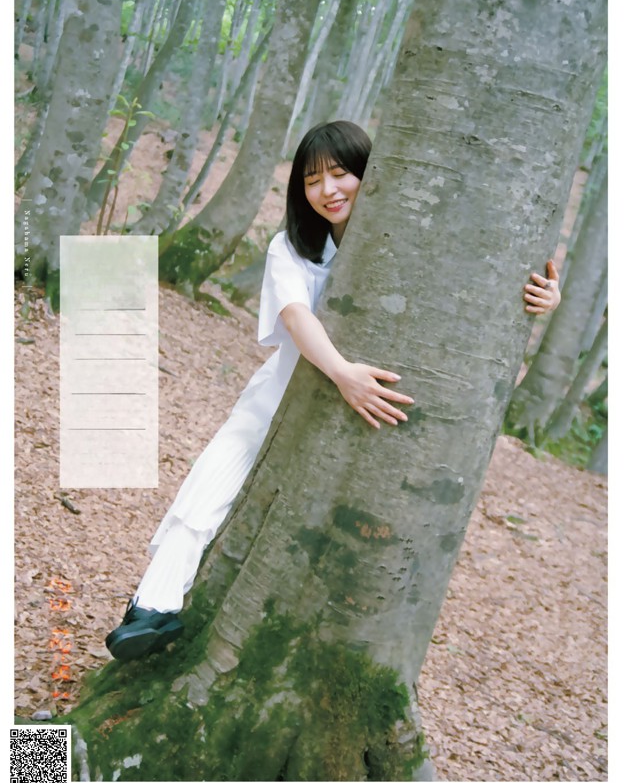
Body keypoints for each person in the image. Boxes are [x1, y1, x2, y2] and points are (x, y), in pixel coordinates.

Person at [106, 120, 561, 661]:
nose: (328, 190)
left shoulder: (407, 247)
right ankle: (149, 609)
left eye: (342, 174)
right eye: (313, 179)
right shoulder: (291, 249)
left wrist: (543, 298)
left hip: (365, 421)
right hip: (278, 395)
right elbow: (295, 315)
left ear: (371, 175)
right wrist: (343, 373)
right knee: (210, 482)